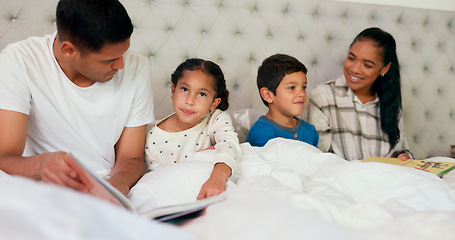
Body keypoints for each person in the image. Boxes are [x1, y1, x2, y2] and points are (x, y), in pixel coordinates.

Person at [0, 0, 155, 196]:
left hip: (104, 184)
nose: (121, 65)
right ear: (69, 50)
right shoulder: (20, 60)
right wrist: (42, 165)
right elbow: (5, 157)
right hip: (39, 187)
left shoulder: (137, 67)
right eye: (109, 60)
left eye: (123, 54)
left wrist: (116, 185)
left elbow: (131, 158)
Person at [308, 27, 412, 161]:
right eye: (351, 58)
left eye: (367, 65)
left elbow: (400, 148)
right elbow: (320, 156)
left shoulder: (391, 102)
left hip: (387, 177)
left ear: (384, 68)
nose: (355, 69)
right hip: (342, 178)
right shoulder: (322, 96)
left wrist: (402, 156)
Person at [143, 58, 240, 200]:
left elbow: (229, 145)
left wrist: (217, 177)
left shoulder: (216, 119)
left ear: (214, 103)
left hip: (215, 184)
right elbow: (161, 182)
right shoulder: (153, 139)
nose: (190, 101)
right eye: (184, 89)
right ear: (173, 90)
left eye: (202, 94)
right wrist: (198, 158)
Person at [246, 53, 319, 147]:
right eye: (292, 87)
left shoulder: (310, 130)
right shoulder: (260, 133)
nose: (301, 93)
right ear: (268, 95)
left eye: (303, 87)